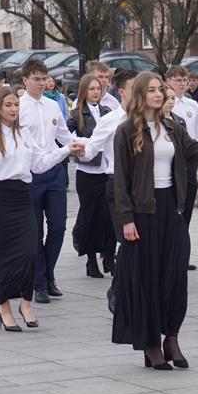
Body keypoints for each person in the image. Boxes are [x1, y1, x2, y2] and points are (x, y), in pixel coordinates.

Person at [112, 72, 198, 370]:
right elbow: (121, 180)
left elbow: (197, 153)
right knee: (147, 280)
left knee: (175, 278)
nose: (159, 94)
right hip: (143, 214)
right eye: (152, 90)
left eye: (161, 89)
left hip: (172, 210)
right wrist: (126, 220)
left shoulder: (172, 127)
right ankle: (150, 344)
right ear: (140, 95)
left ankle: (171, 336)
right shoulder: (127, 130)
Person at [0, 87, 81, 331]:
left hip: (23, 196)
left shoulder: (23, 133)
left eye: (16, 105)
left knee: (29, 252)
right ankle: (4, 308)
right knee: (2, 256)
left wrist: (66, 149)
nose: (13, 109)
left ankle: (25, 302)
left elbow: (40, 163)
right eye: (8, 105)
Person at [18, 59, 74, 304]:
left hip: (54, 171)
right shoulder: (18, 106)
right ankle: (40, 282)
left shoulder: (52, 106)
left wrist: (80, 147)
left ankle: (48, 273)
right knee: (35, 231)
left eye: (44, 79)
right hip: (30, 174)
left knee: (58, 226)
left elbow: (64, 135)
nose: (41, 83)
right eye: (36, 79)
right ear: (25, 80)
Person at [75, 68, 136, 279]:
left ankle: (122, 271)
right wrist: (78, 149)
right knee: (124, 235)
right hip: (115, 182)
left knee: (138, 237)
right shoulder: (110, 120)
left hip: (141, 185)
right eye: (134, 88)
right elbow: (91, 149)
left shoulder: (147, 118)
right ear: (122, 92)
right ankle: (118, 283)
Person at [67, 74, 114, 279]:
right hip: (87, 172)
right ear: (84, 91)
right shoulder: (77, 113)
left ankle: (109, 256)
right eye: (92, 89)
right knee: (90, 216)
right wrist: (87, 143)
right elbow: (66, 136)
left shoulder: (108, 112)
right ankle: (91, 259)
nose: (96, 92)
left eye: (98, 88)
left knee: (109, 216)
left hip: (107, 170)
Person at [165, 66, 198, 268]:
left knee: (187, 205)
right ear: (168, 80)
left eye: (185, 80)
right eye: (178, 80)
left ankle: (181, 253)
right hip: (170, 161)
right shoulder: (165, 103)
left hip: (189, 160)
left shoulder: (192, 104)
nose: (183, 84)